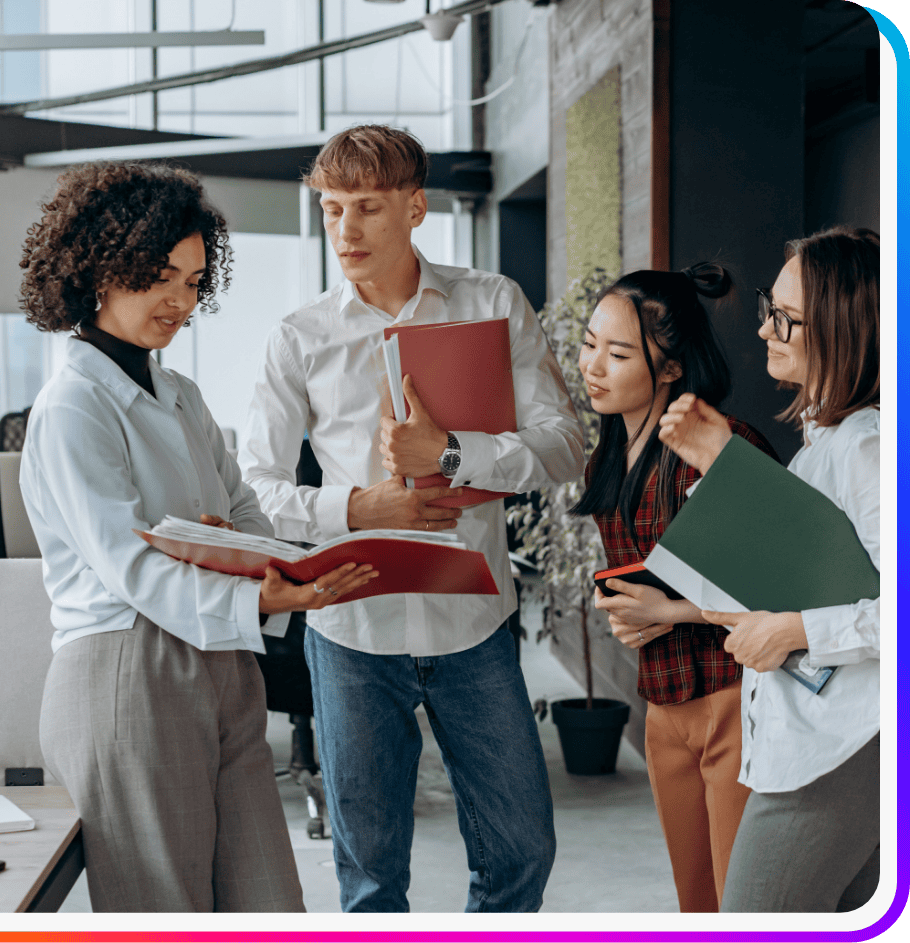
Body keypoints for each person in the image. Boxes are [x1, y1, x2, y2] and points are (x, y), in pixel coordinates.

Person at [239, 124, 584, 913]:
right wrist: (361, 505)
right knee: (369, 877)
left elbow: (564, 446)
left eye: (366, 207)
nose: (345, 230)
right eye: (331, 210)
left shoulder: (491, 302)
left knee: (521, 846)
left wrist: (453, 452)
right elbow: (255, 489)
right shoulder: (298, 338)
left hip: (473, 621)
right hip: (351, 631)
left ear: (416, 207)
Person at [18, 161, 377, 912]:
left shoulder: (180, 394)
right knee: (164, 907)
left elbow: (245, 511)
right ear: (98, 268)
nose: (179, 301)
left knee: (268, 903)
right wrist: (255, 587)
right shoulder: (74, 405)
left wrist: (279, 570)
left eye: (192, 280)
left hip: (222, 660)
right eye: (160, 277)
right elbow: (132, 566)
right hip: (126, 669)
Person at [658, 227, 880, 912]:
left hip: (845, 743)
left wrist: (788, 629)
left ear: (844, 329)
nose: (762, 329)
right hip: (823, 739)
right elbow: (816, 565)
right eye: (766, 305)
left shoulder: (867, 445)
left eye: (783, 317)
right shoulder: (827, 440)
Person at [574, 264, 778, 912]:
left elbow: (783, 584)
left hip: (734, 700)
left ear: (669, 368)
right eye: (588, 344)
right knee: (695, 902)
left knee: (742, 903)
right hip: (661, 706)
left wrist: (671, 609)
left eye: (617, 352)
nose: (593, 365)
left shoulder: (720, 445)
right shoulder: (608, 450)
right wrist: (628, 614)